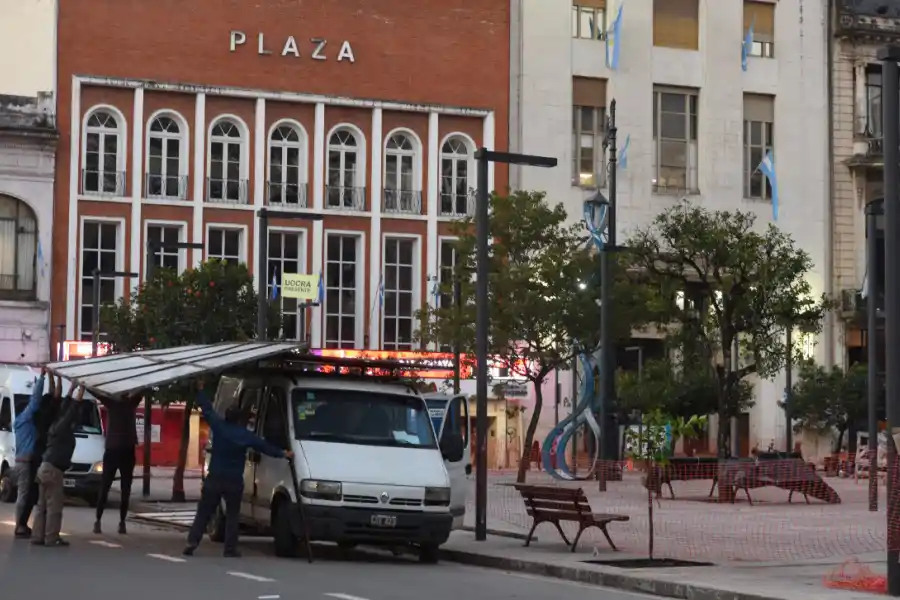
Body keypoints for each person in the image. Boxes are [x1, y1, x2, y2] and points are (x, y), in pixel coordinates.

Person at [184, 380, 292, 558]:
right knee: (233, 515)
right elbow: (265, 447)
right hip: (234, 480)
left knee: (204, 512)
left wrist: (200, 391)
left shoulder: (219, 427)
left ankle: (192, 542)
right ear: (240, 419)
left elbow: (207, 409)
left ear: (226, 416)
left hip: (215, 477)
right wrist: (284, 454)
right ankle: (230, 548)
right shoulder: (245, 435)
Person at [32, 382, 85, 547]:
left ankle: (37, 536)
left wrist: (71, 389)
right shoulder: (63, 426)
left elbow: (65, 407)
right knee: (54, 507)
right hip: (54, 470)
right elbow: (71, 410)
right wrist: (81, 390)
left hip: (44, 468)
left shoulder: (55, 425)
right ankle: (51, 538)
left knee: (41, 506)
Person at [12, 368, 56, 538]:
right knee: (25, 494)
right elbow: (35, 400)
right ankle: (19, 526)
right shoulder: (25, 418)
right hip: (26, 461)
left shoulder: (19, 423)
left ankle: (20, 525)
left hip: (20, 460)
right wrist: (43, 377)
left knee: (24, 493)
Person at [93, 392, 142, 535]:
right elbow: (144, 390)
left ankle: (98, 521)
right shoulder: (131, 403)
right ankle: (121, 523)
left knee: (105, 487)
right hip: (126, 450)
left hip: (113, 450)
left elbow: (97, 394)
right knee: (125, 489)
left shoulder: (112, 403)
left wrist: (83, 384)